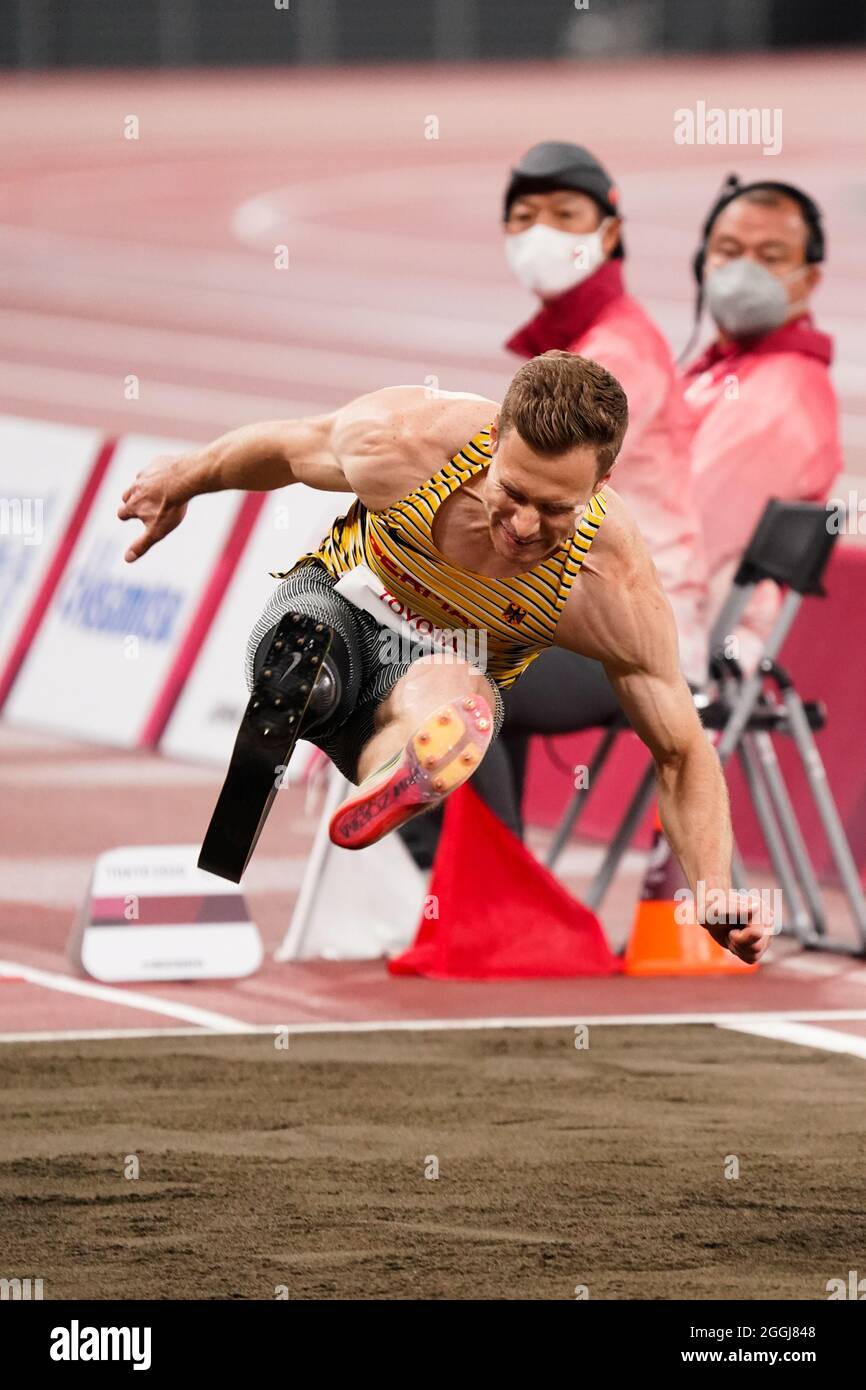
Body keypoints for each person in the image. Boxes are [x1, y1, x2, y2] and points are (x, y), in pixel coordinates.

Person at [118, 350, 768, 963]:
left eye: (553, 509)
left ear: (601, 484)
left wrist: (712, 886)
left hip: (429, 673)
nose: (522, 526)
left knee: (462, 701)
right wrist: (185, 477)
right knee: (312, 643)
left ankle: (388, 780)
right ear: (491, 443)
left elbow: (682, 751)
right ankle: (305, 688)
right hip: (340, 602)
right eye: (511, 492)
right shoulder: (405, 442)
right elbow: (288, 450)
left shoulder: (610, 587)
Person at [400, 140, 708, 863]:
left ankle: (487, 883)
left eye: (565, 215)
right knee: (433, 654)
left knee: (445, 667)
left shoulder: (615, 354)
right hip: (573, 614)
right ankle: (473, 883)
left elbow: (547, 525)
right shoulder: (574, 347)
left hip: (641, 630)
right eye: (524, 216)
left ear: (609, 230)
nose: (541, 233)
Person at [682, 176, 842, 671]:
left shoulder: (775, 399)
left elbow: (687, 540)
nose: (744, 269)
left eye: (770, 256)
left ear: (809, 278)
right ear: (703, 262)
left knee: (475, 650)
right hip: (638, 616)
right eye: (728, 250)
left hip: (677, 636)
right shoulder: (723, 368)